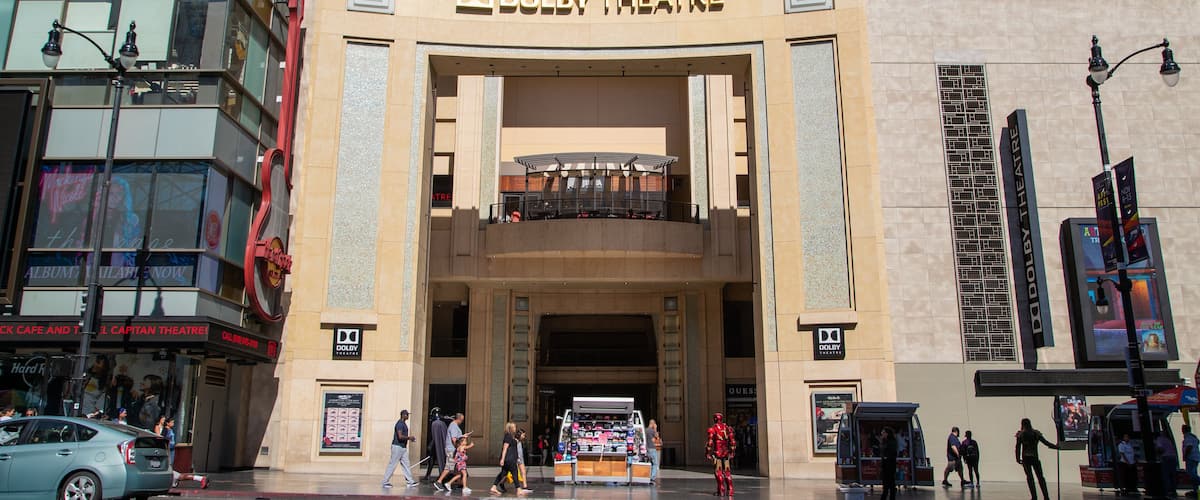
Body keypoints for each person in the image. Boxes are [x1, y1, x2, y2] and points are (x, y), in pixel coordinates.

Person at [1015, 418, 1058, 500]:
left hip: (1026, 459)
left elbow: (1018, 447)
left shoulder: (1021, 435)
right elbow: (1046, 442)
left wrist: (1017, 458)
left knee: (1030, 478)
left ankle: (1034, 497)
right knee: (1041, 478)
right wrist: (1056, 447)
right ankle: (1046, 496)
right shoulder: (1036, 434)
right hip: (1035, 458)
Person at [382, 409, 418, 488]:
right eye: (407, 414)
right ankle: (385, 482)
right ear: (403, 415)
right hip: (397, 447)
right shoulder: (400, 424)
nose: (408, 416)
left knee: (406, 464)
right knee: (392, 464)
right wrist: (410, 438)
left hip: (403, 447)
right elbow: (400, 436)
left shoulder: (403, 424)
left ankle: (410, 481)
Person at [435, 413, 471, 490]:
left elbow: (457, 438)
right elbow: (454, 439)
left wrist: (463, 436)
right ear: (459, 419)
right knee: (449, 467)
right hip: (451, 450)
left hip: (453, 450)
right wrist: (459, 449)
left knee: (456, 468)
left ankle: (459, 483)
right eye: (462, 420)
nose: (462, 421)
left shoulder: (454, 426)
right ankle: (439, 481)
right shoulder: (454, 426)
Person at [706, 411, 737, 496]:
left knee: (718, 472)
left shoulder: (713, 429)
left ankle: (721, 489)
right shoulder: (727, 428)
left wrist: (707, 452)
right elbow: (733, 442)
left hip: (718, 453)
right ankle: (730, 489)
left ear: (715, 419)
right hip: (726, 453)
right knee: (727, 472)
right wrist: (732, 451)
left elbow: (710, 442)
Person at [491, 422, 521, 495]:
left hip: (509, 459)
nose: (515, 428)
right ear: (510, 428)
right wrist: (502, 459)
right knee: (515, 472)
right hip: (509, 459)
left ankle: (494, 487)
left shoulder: (511, 436)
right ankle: (518, 489)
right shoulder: (508, 436)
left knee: (503, 473)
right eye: (514, 427)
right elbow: (505, 448)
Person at [424, 408, 446, 481]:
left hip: (436, 445)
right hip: (437, 445)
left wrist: (431, 445)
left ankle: (440, 475)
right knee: (432, 460)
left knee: (434, 459)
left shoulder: (435, 424)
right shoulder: (442, 423)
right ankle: (428, 475)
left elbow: (435, 437)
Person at [1157, 430, 1179, 496]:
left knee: (1166, 474)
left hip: (1166, 457)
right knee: (1172, 474)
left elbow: (1160, 449)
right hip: (1173, 457)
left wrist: (1157, 453)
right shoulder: (1168, 440)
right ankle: (1173, 490)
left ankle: (1167, 490)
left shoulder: (1159, 439)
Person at [879, 427, 899, 500]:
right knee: (886, 481)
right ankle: (885, 495)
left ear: (887, 433)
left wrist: (887, 457)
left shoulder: (892, 442)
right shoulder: (884, 441)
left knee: (890, 481)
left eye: (883, 432)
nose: (882, 434)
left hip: (890, 463)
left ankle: (891, 496)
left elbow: (892, 452)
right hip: (885, 464)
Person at [1183, 425, 1200, 498]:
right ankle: (1195, 490)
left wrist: (1185, 456)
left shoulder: (1188, 437)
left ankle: (1198, 483)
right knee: (1194, 472)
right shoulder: (1194, 437)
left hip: (1191, 457)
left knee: (1191, 473)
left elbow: (1189, 446)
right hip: (1196, 457)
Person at [515, 428, 532, 494]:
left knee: (523, 471)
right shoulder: (515, 441)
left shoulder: (520, 442)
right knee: (510, 473)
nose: (524, 436)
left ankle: (525, 486)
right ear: (519, 434)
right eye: (523, 435)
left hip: (521, 459)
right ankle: (501, 482)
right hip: (516, 459)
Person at [646, 419, 662, 483]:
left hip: (647, 448)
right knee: (655, 463)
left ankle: (648, 476)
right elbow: (657, 436)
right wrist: (655, 428)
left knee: (650, 463)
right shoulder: (652, 430)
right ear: (653, 424)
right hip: (652, 448)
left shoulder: (646, 430)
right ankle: (652, 477)